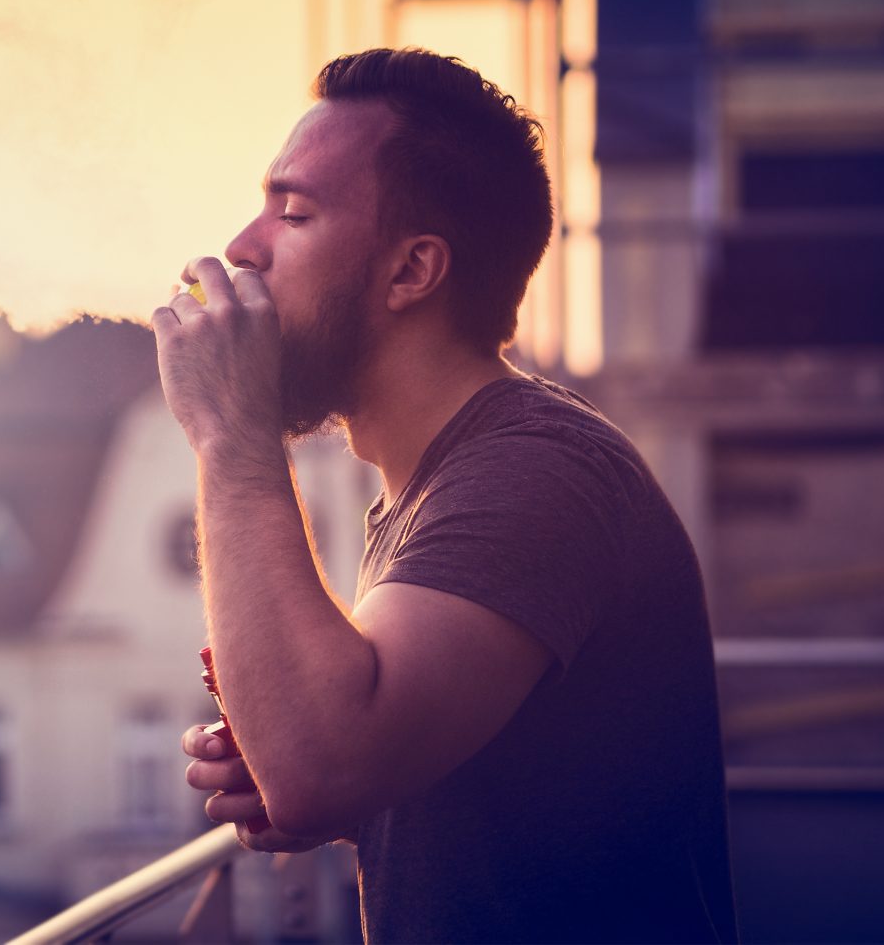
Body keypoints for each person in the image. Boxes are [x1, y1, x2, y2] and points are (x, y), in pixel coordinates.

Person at [152, 48, 737, 943]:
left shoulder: (533, 475)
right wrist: (328, 771)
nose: (243, 246)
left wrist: (229, 434)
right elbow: (475, 784)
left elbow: (324, 762)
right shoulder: (436, 483)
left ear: (411, 272)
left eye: (294, 211)